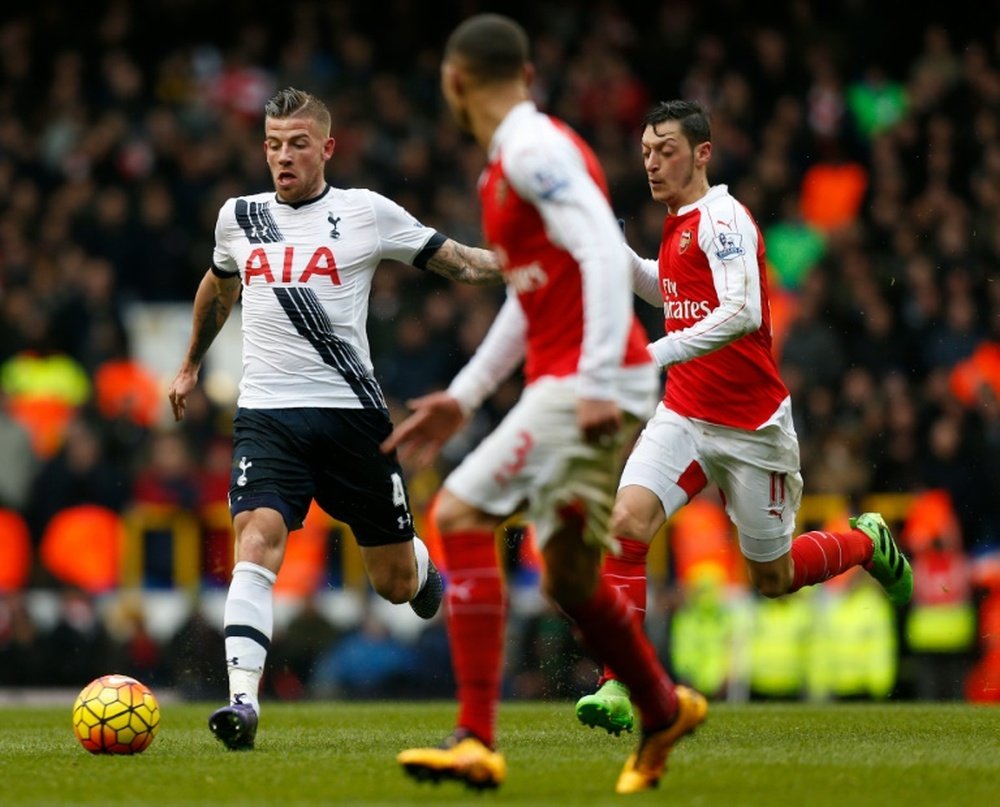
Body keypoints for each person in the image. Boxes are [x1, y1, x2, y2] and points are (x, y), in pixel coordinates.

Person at [382, 15, 706, 795]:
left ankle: (474, 736)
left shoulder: (531, 152)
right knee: (565, 575)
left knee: (456, 516)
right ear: (524, 74)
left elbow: (600, 244)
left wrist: (594, 378)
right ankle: (662, 707)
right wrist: (463, 396)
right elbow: (531, 296)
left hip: (587, 381)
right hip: (593, 376)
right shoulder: (517, 161)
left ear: (454, 84)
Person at [167, 86, 503, 752]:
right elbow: (219, 281)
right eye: (272, 144)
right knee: (255, 539)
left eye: (297, 143)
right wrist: (189, 364)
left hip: (353, 419)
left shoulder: (365, 214)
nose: (283, 157)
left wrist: (531, 263)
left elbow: (459, 261)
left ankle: (422, 565)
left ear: (327, 147)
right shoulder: (240, 217)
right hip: (267, 415)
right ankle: (242, 701)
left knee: (394, 583)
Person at [573, 99, 915, 735]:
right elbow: (667, 289)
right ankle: (619, 683)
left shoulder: (722, 218)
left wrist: (649, 354)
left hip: (752, 429)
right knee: (626, 521)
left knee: (773, 577)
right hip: (684, 414)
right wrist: (615, 257)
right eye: (646, 151)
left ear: (702, 153)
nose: (651, 162)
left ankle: (867, 541)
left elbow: (743, 313)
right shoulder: (676, 224)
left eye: (666, 150)